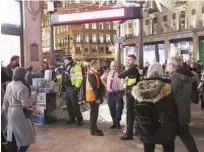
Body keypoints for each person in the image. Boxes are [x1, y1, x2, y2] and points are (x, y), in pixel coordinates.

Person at [131, 62, 179, 152]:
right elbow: (172, 109)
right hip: (164, 126)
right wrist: (176, 125)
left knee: (148, 147)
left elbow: (136, 109)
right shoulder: (166, 88)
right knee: (168, 147)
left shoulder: (139, 88)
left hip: (146, 125)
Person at [168, 56, 199, 152]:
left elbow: (171, 95)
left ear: (173, 65)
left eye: (169, 65)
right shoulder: (189, 76)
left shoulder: (176, 78)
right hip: (184, 111)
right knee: (185, 135)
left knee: (168, 139)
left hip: (175, 114)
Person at [2, 67, 37, 152]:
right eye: (25, 75)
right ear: (22, 75)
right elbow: (26, 104)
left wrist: (5, 112)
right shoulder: (22, 87)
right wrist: (33, 95)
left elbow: (5, 101)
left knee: (13, 136)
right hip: (19, 113)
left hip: (10, 111)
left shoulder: (9, 84)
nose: (26, 76)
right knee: (26, 137)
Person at [118, 54, 140, 140]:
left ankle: (129, 134)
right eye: (127, 59)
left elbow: (120, 75)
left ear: (134, 60)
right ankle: (132, 131)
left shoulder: (132, 68)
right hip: (131, 93)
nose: (128, 61)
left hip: (131, 94)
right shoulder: (132, 68)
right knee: (131, 114)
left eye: (130, 59)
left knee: (130, 114)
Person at [101, 61, 124, 129]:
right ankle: (114, 123)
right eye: (113, 66)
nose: (114, 67)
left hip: (118, 93)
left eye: (116, 66)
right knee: (112, 109)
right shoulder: (107, 72)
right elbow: (102, 79)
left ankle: (117, 122)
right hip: (110, 93)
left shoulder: (121, 73)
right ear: (111, 66)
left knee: (119, 109)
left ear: (118, 66)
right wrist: (106, 85)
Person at [61, 56, 83, 125]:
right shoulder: (67, 67)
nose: (64, 61)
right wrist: (57, 78)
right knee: (69, 105)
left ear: (68, 60)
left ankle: (79, 119)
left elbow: (79, 77)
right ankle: (72, 118)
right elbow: (64, 76)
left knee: (74, 105)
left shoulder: (76, 66)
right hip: (67, 88)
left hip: (72, 88)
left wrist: (76, 87)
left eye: (65, 60)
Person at [86, 60, 105, 136]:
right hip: (93, 97)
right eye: (98, 64)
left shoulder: (93, 73)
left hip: (93, 96)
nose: (100, 66)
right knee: (94, 114)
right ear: (94, 65)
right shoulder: (91, 73)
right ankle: (93, 131)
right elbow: (94, 86)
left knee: (94, 114)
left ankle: (94, 128)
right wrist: (97, 97)